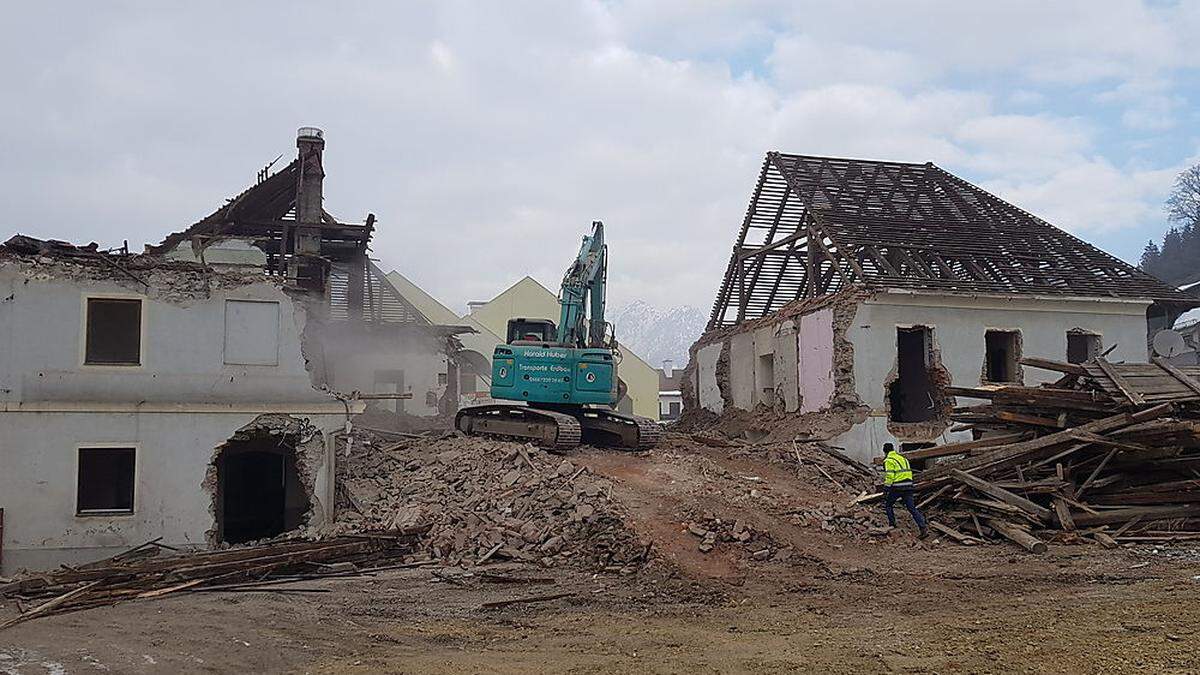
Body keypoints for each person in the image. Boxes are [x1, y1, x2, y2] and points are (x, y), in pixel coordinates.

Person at [882, 443, 928, 539]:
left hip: (898, 487)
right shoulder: (903, 459)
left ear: (885, 451)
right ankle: (923, 528)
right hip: (909, 486)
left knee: (888, 505)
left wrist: (886, 489)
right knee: (912, 508)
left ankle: (892, 525)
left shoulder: (889, 460)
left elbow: (890, 476)